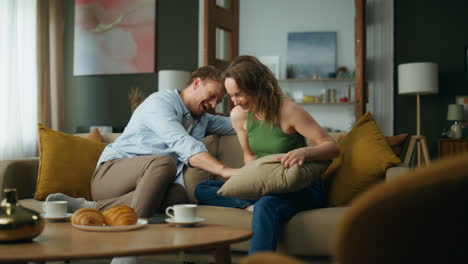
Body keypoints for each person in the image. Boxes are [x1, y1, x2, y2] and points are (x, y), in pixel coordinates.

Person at [46, 65, 238, 217]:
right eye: (212, 96)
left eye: (218, 101)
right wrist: (223, 170)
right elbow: (183, 144)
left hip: (148, 185)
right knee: (164, 162)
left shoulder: (202, 118)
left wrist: (247, 104)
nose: (213, 105)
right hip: (110, 175)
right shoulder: (160, 103)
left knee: (179, 194)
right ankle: (130, 246)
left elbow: (237, 123)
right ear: (196, 83)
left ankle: (91, 207)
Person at [194, 56, 340, 254]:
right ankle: (249, 207)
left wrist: (305, 152)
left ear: (256, 86)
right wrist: (253, 183)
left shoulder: (288, 111)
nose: (234, 101)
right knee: (203, 188)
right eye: (231, 96)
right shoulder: (239, 115)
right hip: (266, 186)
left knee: (267, 204)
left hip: (301, 188)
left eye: (239, 94)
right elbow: (249, 156)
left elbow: (332, 148)